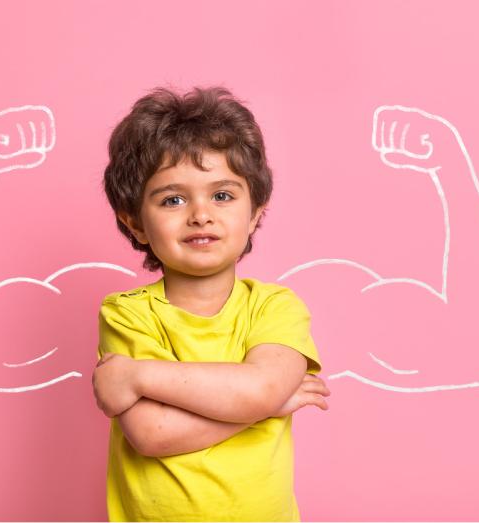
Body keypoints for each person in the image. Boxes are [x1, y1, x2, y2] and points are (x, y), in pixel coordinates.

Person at [92, 85, 331, 522]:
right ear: (135, 222)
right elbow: (152, 434)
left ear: (255, 212)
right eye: (173, 199)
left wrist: (139, 375)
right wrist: (265, 407)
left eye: (222, 195)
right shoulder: (126, 313)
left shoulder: (275, 307)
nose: (200, 213)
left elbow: (261, 388)